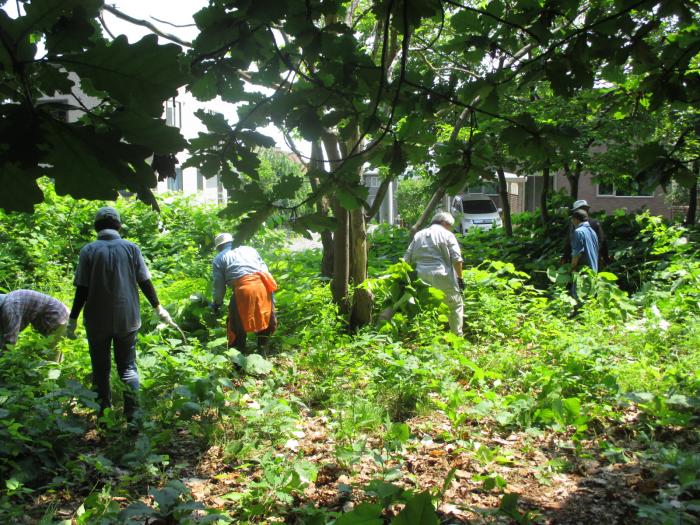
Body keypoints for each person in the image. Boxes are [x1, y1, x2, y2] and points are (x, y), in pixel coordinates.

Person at [67, 206, 172, 422]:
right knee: (128, 368)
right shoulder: (131, 248)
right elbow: (145, 281)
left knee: (100, 369)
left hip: (97, 320)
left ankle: (104, 416)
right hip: (127, 318)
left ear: (96, 227)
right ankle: (133, 416)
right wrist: (158, 307)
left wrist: (72, 319)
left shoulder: (89, 250)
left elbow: (82, 289)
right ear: (119, 226)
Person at [210, 233, 277, 352]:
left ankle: (238, 362)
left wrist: (216, 303)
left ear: (219, 247)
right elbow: (266, 273)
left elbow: (219, 287)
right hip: (263, 286)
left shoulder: (219, 258)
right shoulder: (250, 250)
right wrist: (272, 299)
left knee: (236, 325)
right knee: (264, 318)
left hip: (244, 290)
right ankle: (262, 352)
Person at [403, 211, 464, 336]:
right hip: (443, 276)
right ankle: (457, 337)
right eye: (450, 225)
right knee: (455, 306)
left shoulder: (418, 235)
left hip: (421, 277)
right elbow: (457, 260)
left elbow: (406, 259)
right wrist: (460, 279)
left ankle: (426, 336)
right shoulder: (448, 235)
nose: (450, 228)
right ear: (444, 223)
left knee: (426, 307)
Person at [0, 290, 69, 359]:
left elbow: (10, 341)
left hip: (57, 316)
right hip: (61, 313)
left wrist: (3, 360)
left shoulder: (9, 309)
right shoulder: (9, 300)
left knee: (50, 360)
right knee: (54, 352)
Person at [562, 199, 610, 267]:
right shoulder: (574, 225)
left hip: (582, 260)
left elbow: (602, 241)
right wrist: (565, 257)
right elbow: (568, 242)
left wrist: (571, 263)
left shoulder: (592, 224)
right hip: (593, 260)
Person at [570, 208, 599, 300]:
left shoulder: (578, 232)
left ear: (575, 220)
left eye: (572, 220)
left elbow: (577, 254)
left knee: (579, 299)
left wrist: (572, 268)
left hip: (582, 272)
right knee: (590, 299)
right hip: (593, 271)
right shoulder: (593, 232)